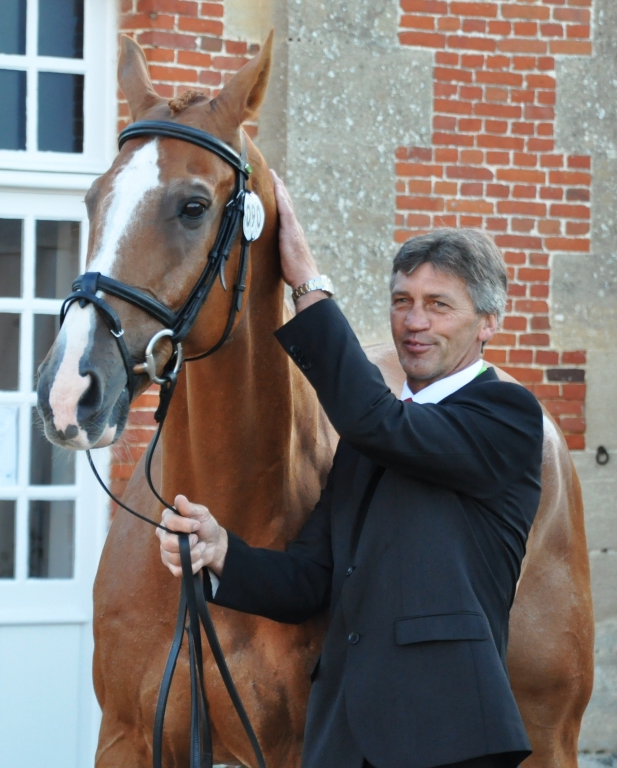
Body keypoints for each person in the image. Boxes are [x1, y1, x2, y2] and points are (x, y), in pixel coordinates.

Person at [156, 171, 543, 768]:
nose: (414, 323)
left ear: (487, 323)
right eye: (402, 302)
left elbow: (378, 421)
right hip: (343, 739)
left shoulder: (507, 414)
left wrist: (307, 283)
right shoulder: (368, 443)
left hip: (449, 736)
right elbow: (311, 580)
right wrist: (220, 550)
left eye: (439, 306)